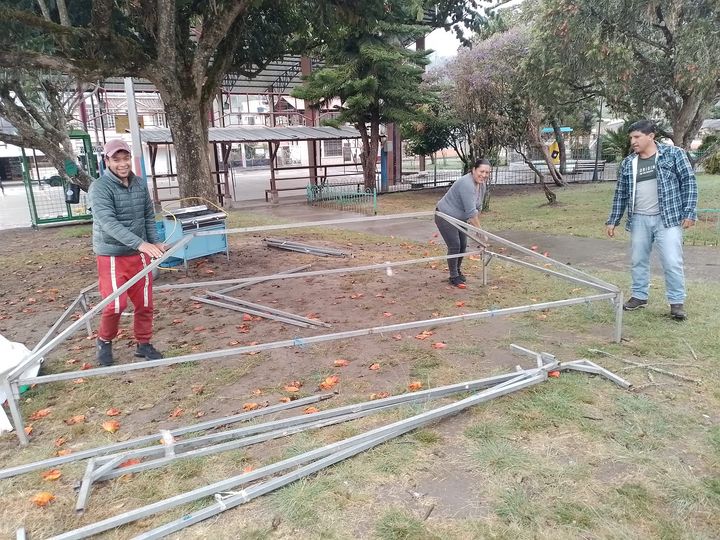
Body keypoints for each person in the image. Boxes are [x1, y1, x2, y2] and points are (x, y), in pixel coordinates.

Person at [606, 119, 698, 321]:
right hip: (639, 219)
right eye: (631, 137)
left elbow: (689, 183)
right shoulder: (629, 163)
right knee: (638, 259)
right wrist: (613, 220)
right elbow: (621, 193)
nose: (633, 141)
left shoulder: (674, 154)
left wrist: (689, 212)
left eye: (637, 137)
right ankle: (639, 296)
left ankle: (676, 303)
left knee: (672, 261)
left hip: (667, 218)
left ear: (651, 136)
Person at [89, 139, 167, 365]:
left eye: (126, 159)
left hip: (138, 254)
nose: (122, 164)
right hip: (112, 255)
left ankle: (144, 343)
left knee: (144, 302)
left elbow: (148, 215)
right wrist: (141, 244)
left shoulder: (140, 184)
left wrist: (154, 242)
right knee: (115, 304)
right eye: (116, 159)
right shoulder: (100, 188)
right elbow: (108, 223)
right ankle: (104, 341)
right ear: (106, 161)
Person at [435, 158, 491, 288]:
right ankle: (453, 276)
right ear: (473, 170)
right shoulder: (467, 184)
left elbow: (477, 208)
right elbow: (471, 213)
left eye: (487, 172)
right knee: (455, 245)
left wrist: (477, 229)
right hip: (445, 216)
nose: (484, 175)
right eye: (481, 171)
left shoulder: (481, 185)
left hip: (460, 218)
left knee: (463, 245)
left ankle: (457, 271)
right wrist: (480, 233)